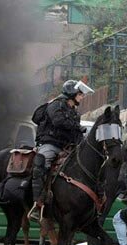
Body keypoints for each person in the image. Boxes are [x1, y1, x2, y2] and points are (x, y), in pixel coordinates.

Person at [28, 80, 94, 222]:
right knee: (42, 165)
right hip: (51, 144)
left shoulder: (74, 111)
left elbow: (76, 132)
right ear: (72, 93)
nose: (82, 97)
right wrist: (78, 127)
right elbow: (58, 122)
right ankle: (37, 204)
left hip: (68, 146)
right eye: (80, 94)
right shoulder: (55, 104)